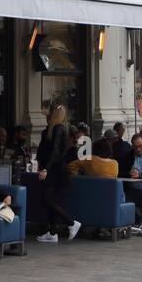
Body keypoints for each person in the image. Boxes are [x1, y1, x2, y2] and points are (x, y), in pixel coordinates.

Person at [34, 103, 82, 244]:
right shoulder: (57, 128)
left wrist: (45, 169)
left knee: (46, 200)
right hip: (55, 168)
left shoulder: (58, 128)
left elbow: (55, 152)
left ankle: (71, 222)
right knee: (51, 200)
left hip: (54, 170)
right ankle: (53, 232)